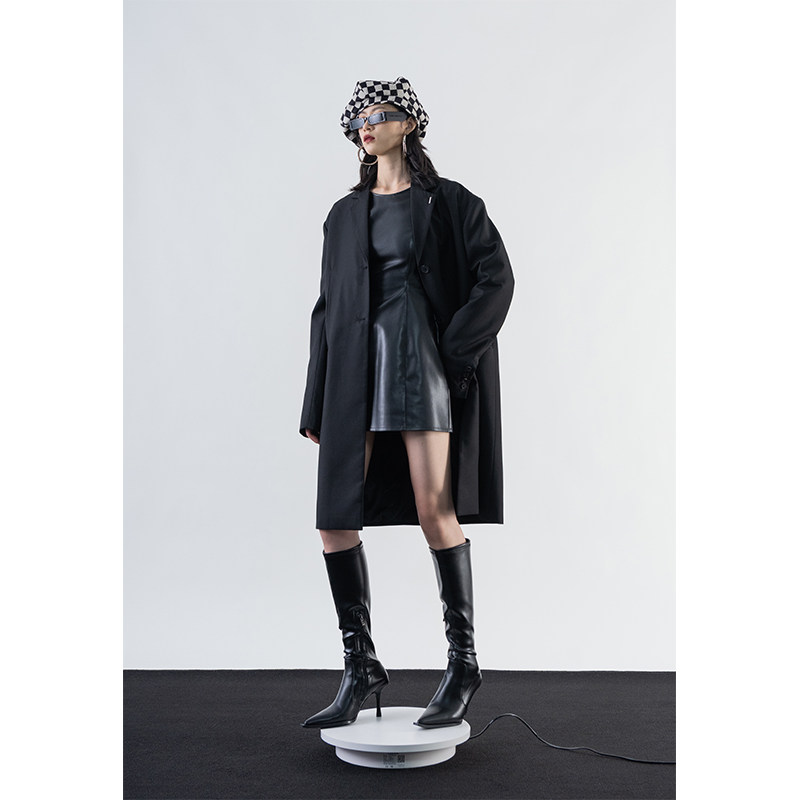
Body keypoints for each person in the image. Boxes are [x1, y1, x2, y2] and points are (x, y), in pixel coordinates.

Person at [299, 76, 514, 730]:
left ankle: (463, 664)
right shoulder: (343, 214)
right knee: (334, 519)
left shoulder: (451, 203)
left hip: (420, 365)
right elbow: (327, 308)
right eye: (359, 117)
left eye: (381, 113)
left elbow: (496, 277)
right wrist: (315, 401)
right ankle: (360, 664)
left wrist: (454, 352)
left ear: (409, 124)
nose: (367, 123)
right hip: (354, 376)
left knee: (434, 510)